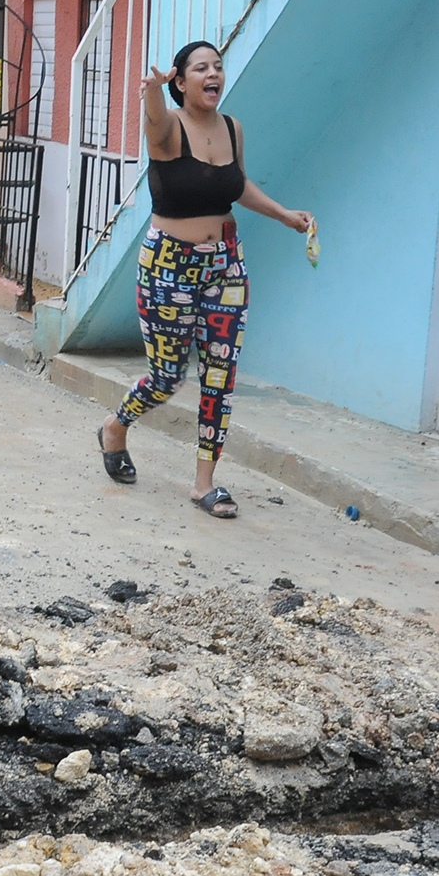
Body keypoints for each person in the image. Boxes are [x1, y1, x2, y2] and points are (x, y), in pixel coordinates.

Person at [96, 40, 312, 520]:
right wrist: (152, 91)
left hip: (226, 266)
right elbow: (154, 120)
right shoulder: (169, 128)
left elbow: (237, 184)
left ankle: (204, 484)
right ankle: (116, 425)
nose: (213, 74)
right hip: (168, 266)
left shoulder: (232, 128)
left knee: (220, 375)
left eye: (217, 67)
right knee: (167, 376)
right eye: (201, 68)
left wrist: (282, 214)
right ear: (181, 81)